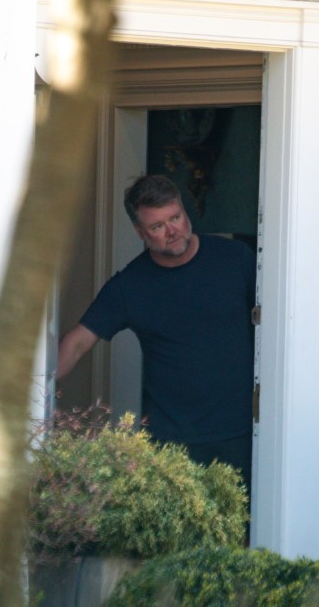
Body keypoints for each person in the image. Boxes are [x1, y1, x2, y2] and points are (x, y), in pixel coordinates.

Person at [56, 174, 256, 494]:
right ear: (139, 232)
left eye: (175, 217)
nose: (172, 230)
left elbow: (278, 322)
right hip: (172, 443)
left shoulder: (236, 260)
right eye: (158, 226)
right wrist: (31, 392)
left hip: (245, 431)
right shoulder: (130, 286)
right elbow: (78, 342)